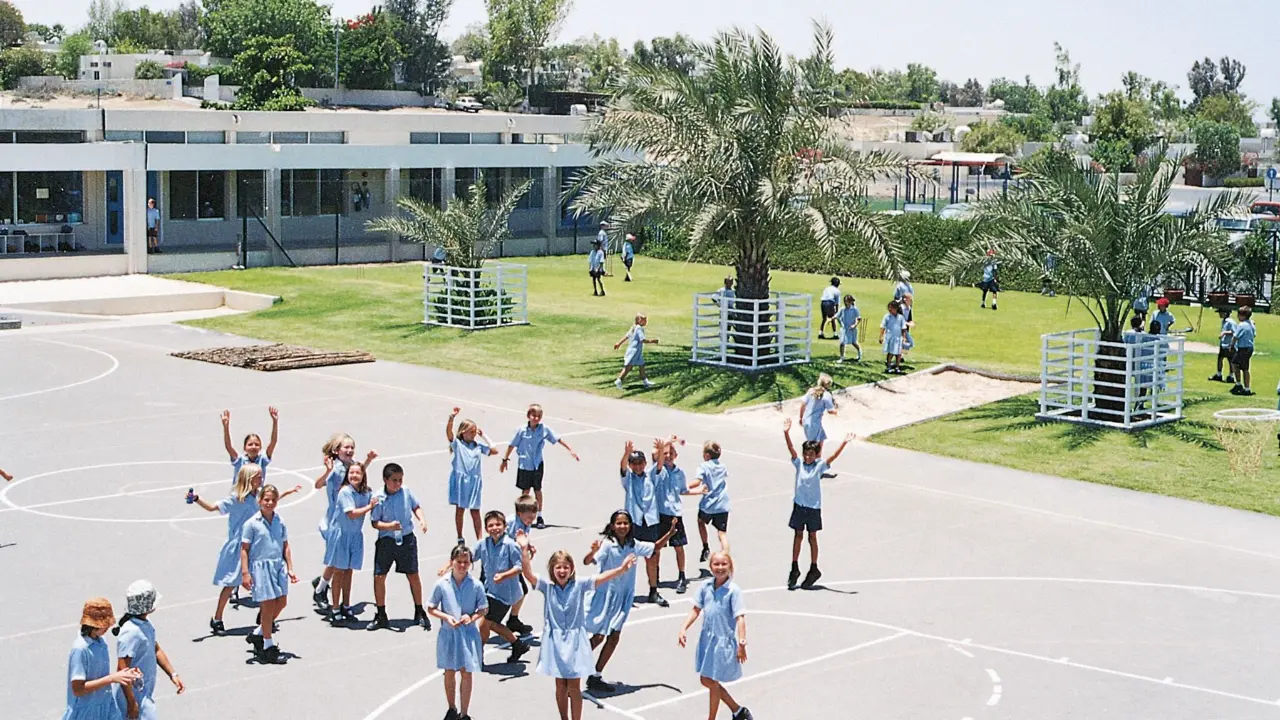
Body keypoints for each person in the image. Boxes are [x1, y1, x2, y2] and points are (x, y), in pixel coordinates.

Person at [514, 533, 638, 720]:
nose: (562, 571)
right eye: (558, 567)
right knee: (560, 686)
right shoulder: (547, 586)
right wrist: (524, 549)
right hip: (555, 643)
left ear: (572, 569)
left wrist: (621, 569)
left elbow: (601, 578)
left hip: (575, 643)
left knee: (573, 687)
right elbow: (528, 573)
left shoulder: (580, 584)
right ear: (552, 569)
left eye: (566, 567)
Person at [185, 465, 299, 636]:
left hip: (257, 546)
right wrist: (196, 498)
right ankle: (217, 618)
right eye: (258, 476)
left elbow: (271, 499)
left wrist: (287, 492)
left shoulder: (259, 495)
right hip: (240, 546)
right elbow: (212, 507)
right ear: (248, 478)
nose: (261, 479)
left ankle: (265, 616)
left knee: (263, 583)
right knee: (231, 583)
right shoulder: (236, 499)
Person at [583, 509, 675, 693]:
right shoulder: (608, 545)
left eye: (625, 523)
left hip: (623, 598)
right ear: (612, 526)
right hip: (606, 596)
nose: (622, 526)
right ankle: (572, 664)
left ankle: (596, 676)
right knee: (598, 637)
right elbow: (587, 561)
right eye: (619, 523)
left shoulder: (633, 544)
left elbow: (655, 547)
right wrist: (592, 551)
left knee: (614, 637)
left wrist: (670, 533)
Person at [676, 552, 753, 720]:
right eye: (716, 564)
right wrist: (683, 628)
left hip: (722, 642)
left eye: (724, 564)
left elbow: (740, 618)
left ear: (730, 566)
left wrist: (742, 643)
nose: (720, 568)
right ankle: (738, 711)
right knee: (710, 681)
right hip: (707, 640)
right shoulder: (705, 586)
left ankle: (717, 716)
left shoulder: (733, 591)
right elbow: (696, 609)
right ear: (710, 567)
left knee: (709, 680)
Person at [781, 419, 854, 590]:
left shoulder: (819, 466)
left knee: (812, 537)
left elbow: (832, 457)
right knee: (798, 535)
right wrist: (786, 433)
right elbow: (791, 449)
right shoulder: (799, 464)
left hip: (813, 507)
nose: (808, 457)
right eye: (806, 454)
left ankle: (814, 568)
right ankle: (794, 567)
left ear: (816, 455)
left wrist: (844, 443)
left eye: (811, 454)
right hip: (799, 506)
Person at [453, 510, 531, 665]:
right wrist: (451, 567)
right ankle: (517, 644)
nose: (495, 528)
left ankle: (478, 656)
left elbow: (519, 567)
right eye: (491, 525)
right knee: (491, 624)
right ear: (486, 528)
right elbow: (469, 556)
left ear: (505, 526)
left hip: (505, 594)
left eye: (498, 524)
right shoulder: (483, 544)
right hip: (490, 591)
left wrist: (504, 575)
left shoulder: (510, 545)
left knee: (484, 624)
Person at [312, 434, 377, 609]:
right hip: (335, 520)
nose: (349, 450)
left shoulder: (350, 465)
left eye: (352, 447)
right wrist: (327, 471)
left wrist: (368, 460)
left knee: (337, 560)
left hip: (343, 520)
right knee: (337, 561)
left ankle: (322, 584)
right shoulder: (335, 468)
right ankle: (321, 589)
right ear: (336, 450)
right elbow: (318, 484)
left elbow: (357, 474)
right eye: (345, 447)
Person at [368, 462, 431, 631]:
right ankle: (381, 614)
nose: (398, 483)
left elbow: (416, 506)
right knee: (379, 576)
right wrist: (389, 526)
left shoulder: (406, 491)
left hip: (406, 538)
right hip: (387, 541)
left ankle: (419, 611)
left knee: (413, 575)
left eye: (400, 480)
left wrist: (422, 520)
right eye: (394, 480)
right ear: (385, 480)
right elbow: (374, 522)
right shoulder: (378, 498)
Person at [427, 545, 488, 720]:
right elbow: (431, 607)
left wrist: (472, 617)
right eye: (459, 561)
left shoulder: (476, 585)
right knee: (449, 671)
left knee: (466, 672)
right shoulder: (442, 584)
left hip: (468, 634)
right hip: (449, 634)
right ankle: (452, 708)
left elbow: (483, 608)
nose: (462, 566)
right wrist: (446, 617)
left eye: (466, 562)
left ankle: (464, 713)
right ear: (452, 562)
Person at [240, 484, 297, 664]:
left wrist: (290, 567)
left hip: (278, 566)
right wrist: (245, 573)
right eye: (266, 500)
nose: (269, 503)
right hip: (261, 567)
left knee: (282, 602)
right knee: (268, 604)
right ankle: (268, 645)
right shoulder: (252, 524)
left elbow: (285, 545)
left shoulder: (280, 521)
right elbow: (244, 549)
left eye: (273, 500)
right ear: (259, 501)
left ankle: (258, 633)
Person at [500, 404, 580, 529]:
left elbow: (558, 439)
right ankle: (521, 515)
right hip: (524, 465)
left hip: (537, 464)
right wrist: (505, 459)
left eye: (539, 416)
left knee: (537, 490)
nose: (536, 418)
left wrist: (571, 450)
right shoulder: (521, 430)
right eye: (534, 416)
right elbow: (512, 445)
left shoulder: (544, 429)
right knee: (525, 491)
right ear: (528, 416)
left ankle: (539, 515)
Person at [113, 580, 184, 720]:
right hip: (133, 696)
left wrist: (173, 674)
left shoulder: (145, 623)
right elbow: (122, 669)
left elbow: (155, 649)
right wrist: (131, 703)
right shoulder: (131, 632)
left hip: (143, 692)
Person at [64, 597, 142, 720]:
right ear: (93, 625)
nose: (108, 627)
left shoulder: (101, 643)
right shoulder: (80, 649)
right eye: (105, 625)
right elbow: (78, 689)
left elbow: (101, 676)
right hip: (86, 713)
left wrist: (125, 674)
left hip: (106, 706)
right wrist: (112, 678)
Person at [616, 440, 672, 607]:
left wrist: (661, 451)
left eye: (640, 463)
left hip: (650, 521)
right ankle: (625, 594)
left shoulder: (650, 476)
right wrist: (626, 453)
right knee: (629, 559)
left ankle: (653, 591)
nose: (638, 466)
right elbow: (622, 467)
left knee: (652, 558)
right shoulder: (628, 479)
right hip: (634, 522)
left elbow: (660, 465)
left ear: (645, 463)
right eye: (634, 463)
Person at [324, 463, 379, 624]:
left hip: (355, 535)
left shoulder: (366, 492)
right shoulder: (345, 492)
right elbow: (352, 514)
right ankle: (335, 608)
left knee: (349, 572)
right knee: (338, 571)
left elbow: (377, 500)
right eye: (351, 473)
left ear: (363, 476)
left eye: (357, 473)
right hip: (342, 535)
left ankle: (346, 605)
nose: (354, 476)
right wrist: (370, 506)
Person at [446, 408, 499, 543]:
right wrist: (451, 418)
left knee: (475, 511)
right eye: (471, 431)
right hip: (461, 482)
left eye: (475, 432)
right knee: (460, 509)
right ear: (463, 432)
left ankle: (479, 539)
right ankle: (460, 536)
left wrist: (484, 436)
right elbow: (449, 433)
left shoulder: (478, 446)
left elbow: (494, 450)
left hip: (474, 482)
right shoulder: (458, 444)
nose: (474, 434)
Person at [652, 436, 693, 594]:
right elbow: (655, 454)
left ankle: (682, 575)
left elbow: (683, 490)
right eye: (665, 453)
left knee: (678, 546)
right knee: (657, 547)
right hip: (660, 513)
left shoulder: (679, 473)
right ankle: (655, 574)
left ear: (676, 455)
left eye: (671, 453)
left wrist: (699, 491)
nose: (668, 456)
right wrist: (669, 440)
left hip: (675, 514)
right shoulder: (658, 470)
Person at [689, 440, 729, 564]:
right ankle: (726, 556)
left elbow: (697, 481)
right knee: (722, 533)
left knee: (700, 521)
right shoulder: (723, 466)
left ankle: (705, 546)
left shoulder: (704, 466)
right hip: (722, 504)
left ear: (707, 455)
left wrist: (684, 487)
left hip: (709, 504)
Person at [505, 495, 539, 637]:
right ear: (519, 513)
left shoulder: (526, 522)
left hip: (514, 561)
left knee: (522, 590)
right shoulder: (510, 522)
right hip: (504, 562)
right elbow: (503, 539)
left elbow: (523, 536)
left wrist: (528, 545)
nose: (531, 520)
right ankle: (489, 621)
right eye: (529, 517)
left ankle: (513, 619)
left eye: (534, 516)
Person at [219, 407, 278, 485]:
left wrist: (275, 422)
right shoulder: (240, 461)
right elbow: (228, 446)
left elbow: (273, 442)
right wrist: (226, 428)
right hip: (240, 492)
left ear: (260, 447)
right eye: (250, 444)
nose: (253, 447)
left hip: (256, 492)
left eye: (257, 444)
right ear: (245, 448)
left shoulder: (262, 460)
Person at [614, 314, 659, 390]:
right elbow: (643, 340)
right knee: (628, 368)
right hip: (634, 352)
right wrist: (653, 341)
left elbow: (626, 336)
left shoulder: (634, 327)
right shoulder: (639, 329)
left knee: (642, 365)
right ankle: (619, 381)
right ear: (639, 321)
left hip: (636, 351)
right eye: (644, 320)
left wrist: (619, 343)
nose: (646, 321)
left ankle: (645, 381)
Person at [798, 374, 837, 446]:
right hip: (814, 424)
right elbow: (830, 411)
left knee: (821, 438)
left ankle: (819, 453)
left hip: (807, 421)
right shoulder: (826, 395)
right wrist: (836, 412)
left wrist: (801, 417)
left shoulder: (811, 391)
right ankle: (817, 453)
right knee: (813, 446)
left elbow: (803, 404)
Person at [1230, 305, 1257, 396]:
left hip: (1243, 348)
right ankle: (1242, 386)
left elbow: (1235, 336)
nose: (1238, 316)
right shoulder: (1251, 324)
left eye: (1239, 315)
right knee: (1240, 365)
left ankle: (1243, 387)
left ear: (1244, 316)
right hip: (1249, 347)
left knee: (1239, 366)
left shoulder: (1242, 325)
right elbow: (1254, 335)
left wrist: (1231, 345)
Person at [1209, 307, 1236, 383]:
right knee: (1220, 358)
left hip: (1229, 344)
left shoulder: (1231, 322)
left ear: (1225, 313)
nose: (1219, 314)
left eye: (1221, 313)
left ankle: (1231, 376)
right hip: (1223, 343)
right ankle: (1219, 374)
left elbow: (1234, 332)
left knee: (1230, 360)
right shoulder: (1224, 321)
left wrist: (1224, 333)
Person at [879, 300, 906, 374]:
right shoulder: (887, 317)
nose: (890, 309)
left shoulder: (901, 317)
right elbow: (882, 327)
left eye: (891, 308)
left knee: (898, 353)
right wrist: (881, 336)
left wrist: (904, 337)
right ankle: (888, 367)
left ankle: (897, 367)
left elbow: (903, 328)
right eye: (889, 308)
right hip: (890, 337)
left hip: (898, 337)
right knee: (890, 353)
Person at [836, 294, 862, 363]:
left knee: (853, 342)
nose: (845, 303)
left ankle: (859, 353)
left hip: (852, 329)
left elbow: (859, 318)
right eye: (845, 301)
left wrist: (854, 325)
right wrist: (834, 320)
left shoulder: (854, 309)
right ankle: (842, 357)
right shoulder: (842, 309)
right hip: (844, 329)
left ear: (851, 302)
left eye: (847, 301)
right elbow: (837, 316)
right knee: (842, 343)